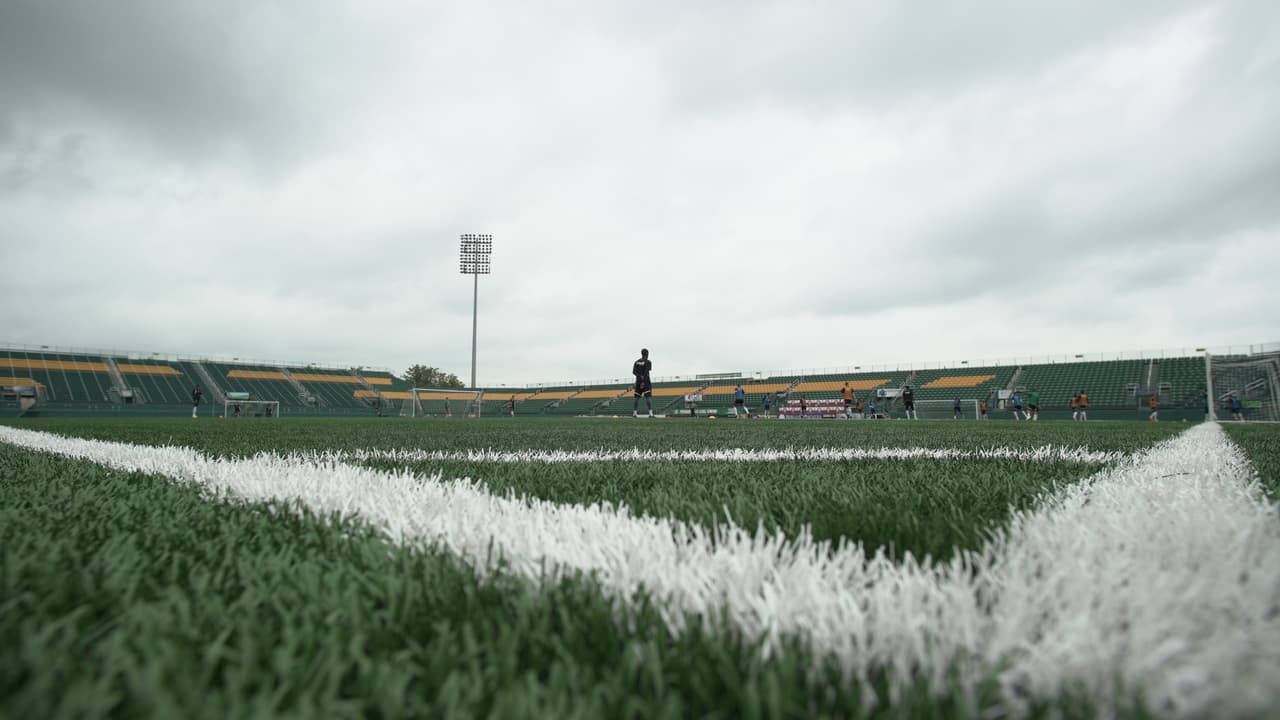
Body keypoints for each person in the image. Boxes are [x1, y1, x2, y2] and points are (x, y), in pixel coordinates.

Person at [632, 348, 653, 418]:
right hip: (646, 383)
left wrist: (639, 379)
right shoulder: (648, 362)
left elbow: (634, 372)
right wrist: (643, 382)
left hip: (638, 382)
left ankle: (634, 414)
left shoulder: (636, 362)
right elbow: (646, 372)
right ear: (647, 354)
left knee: (636, 398)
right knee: (648, 397)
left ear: (641, 354)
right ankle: (650, 414)